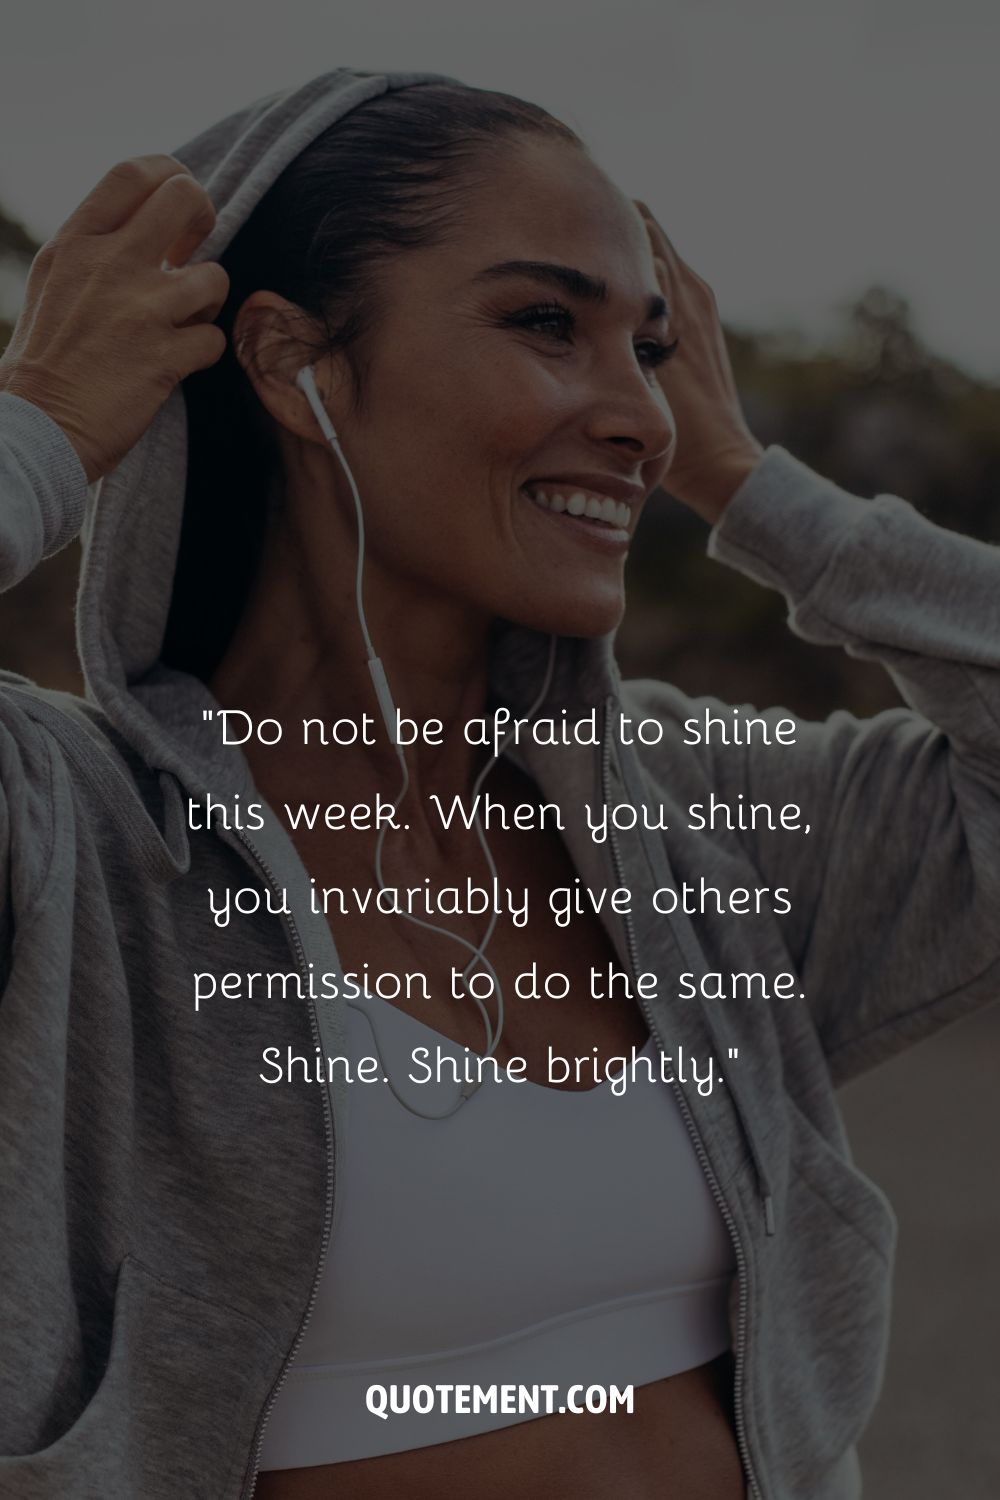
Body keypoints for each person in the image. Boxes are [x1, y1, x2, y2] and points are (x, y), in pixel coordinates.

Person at [0, 66, 997, 1500]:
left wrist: (763, 493)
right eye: (548, 324)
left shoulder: (681, 806)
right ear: (293, 363)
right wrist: (37, 434)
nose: (641, 418)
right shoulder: (76, 847)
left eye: (647, 348)